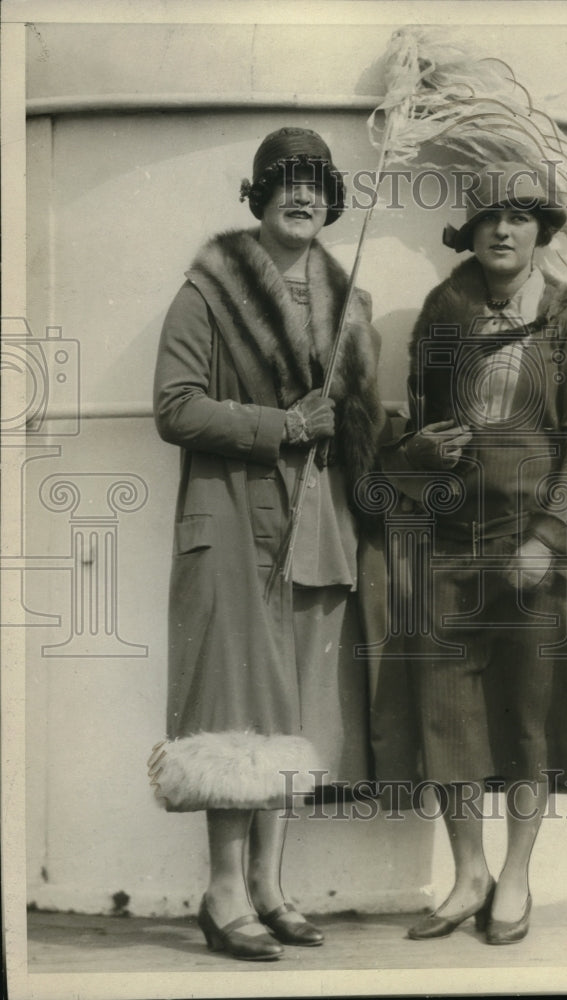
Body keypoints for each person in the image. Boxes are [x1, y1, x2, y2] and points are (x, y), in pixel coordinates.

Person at [150, 127, 384, 961]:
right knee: (234, 711)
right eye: (283, 179)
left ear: (331, 200)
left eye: (315, 180)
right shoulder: (208, 292)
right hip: (232, 519)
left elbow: (358, 430)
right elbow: (174, 407)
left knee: (292, 712)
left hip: (319, 528)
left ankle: (269, 886)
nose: (301, 193)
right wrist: (283, 424)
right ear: (255, 195)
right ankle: (220, 894)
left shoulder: (349, 303)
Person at [379, 162, 567, 945]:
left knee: (527, 713)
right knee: (447, 715)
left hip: (530, 548)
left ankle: (515, 876)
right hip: (445, 546)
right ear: (470, 236)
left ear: (539, 234)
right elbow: (412, 435)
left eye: (516, 219)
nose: (501, 231)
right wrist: (421, 451)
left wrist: (547, 539)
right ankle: (467, 871)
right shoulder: (438, 320)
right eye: (487, 221)